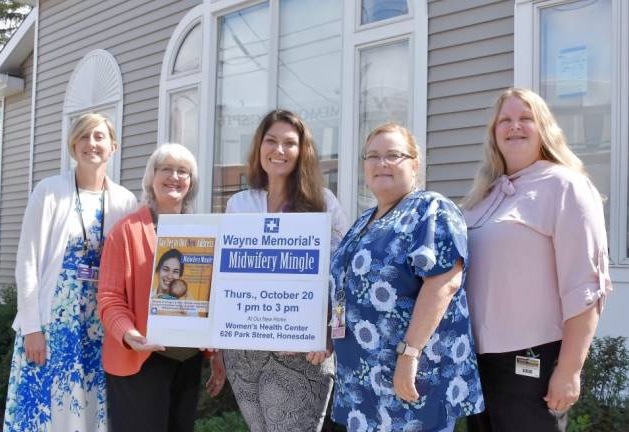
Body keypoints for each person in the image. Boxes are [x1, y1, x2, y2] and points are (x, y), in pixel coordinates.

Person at [462, 88, 611, 432]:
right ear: (494, 133)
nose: (515, 126)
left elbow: (585, 285)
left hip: (531, 362)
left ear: (545, 128)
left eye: (526, 118)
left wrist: (570, 369)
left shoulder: (565, 186)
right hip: (477, 362)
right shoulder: (484, 196)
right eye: (505, 120)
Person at [330, 122, 483, 432]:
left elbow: (443, 282)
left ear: (415, 164)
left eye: (393, 155)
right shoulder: (363, 221)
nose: (381, 163)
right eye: (372, 156)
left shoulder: (431, 209)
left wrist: (409, 355)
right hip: (362, 380)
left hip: (411, 376)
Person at [3, 113, 138, 431]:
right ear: (73, 144)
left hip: (100, 327)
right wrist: (32, 328)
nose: (92, 143)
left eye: (99, 136)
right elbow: (27, 261)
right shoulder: (49, 191)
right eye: (84, 136)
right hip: (52, 326)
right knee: (46, 412)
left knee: (90, 410)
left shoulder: (125, 201)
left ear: (113, 146)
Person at [217, 109, 348, 431]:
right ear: (258, 147)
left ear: (302, 151)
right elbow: (227, 276)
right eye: (271, 141)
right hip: (245, 350)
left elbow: (343, 274)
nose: (279, 150)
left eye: (289, 143)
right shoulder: (240, 204)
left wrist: (329, 332)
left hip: (302, 349)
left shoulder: (322, 202)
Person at [97, 143, 225, 431]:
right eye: (166, 168)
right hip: (141, 359)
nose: (174, 176)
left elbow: (212, 297)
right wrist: (129, 334)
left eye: (183, 171)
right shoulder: (125, 232)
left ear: (191, 183)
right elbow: (109, 298)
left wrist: (217, 351)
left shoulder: (202, 233)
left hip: (188, 360)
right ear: (151, 177)